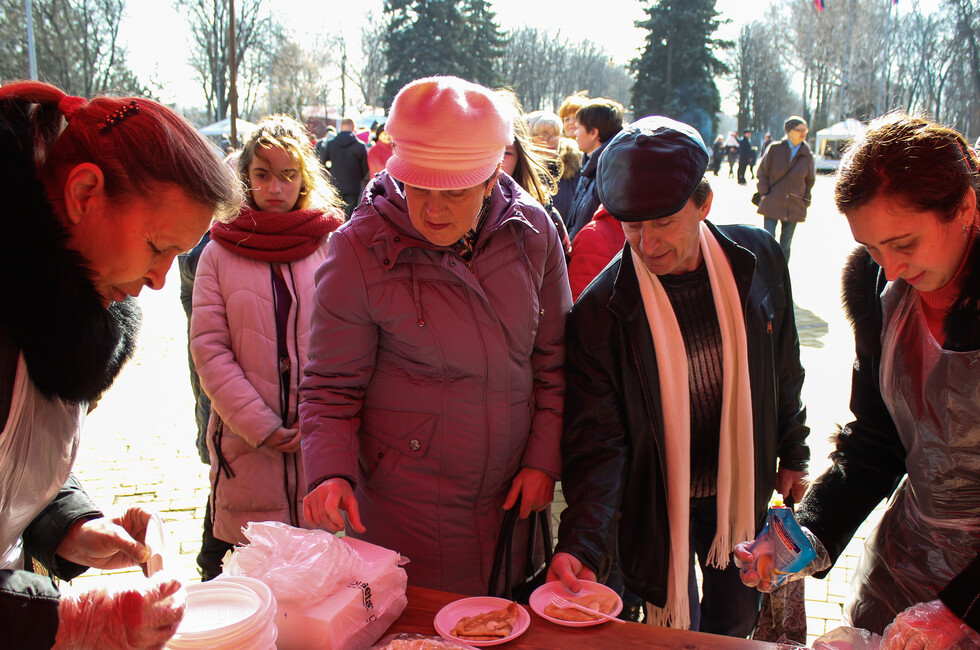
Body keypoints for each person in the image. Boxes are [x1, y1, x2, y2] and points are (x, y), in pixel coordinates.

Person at [300, 76, 571, 596]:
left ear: (493, 177)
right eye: (416, 187)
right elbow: (331, 386)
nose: (432, 210)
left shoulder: (534, 233)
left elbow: (554, 363)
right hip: (406, 506)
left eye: (454, 192)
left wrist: (543, 459)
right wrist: (329, 471)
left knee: (499, 620)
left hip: (511, 498)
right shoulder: (358, 249)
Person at [0, 81, 241, 649]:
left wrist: (69, 524)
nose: (160, 281)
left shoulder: (65, 309)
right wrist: (63, 617)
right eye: (159, 246)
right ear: (84, 190)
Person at [549, 116, 809, 637]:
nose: (646, 244)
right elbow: (597, 443)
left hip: (740, 492)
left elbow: (783, 363)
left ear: (703, 203)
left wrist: (794, 450)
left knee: (734, 623)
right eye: (631, 226)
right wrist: (581, 541)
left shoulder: (758, 256)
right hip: (656, 501)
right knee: (672, 626)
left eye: (662, 222)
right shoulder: (601, 311)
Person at [737, 114, 980, 647]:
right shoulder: (880, 291)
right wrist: (799, 536)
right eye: (872, 249)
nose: (890, 269)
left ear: (963, 208)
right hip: (909, 560)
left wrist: (965, 608)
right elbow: (875, 442)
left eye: (904, 244)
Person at [190, 115, 344, 568]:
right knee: (246, 580)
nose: (275, 187)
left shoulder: (330, 244)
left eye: (287, 175)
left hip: (319, 441)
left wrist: (321, 421)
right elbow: (209, 348)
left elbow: (350, 339)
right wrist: (261, 425)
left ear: (304, 178)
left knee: (319, 590)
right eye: (263, 174)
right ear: (246, 177)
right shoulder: (218, 251)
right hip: (246, 445)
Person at [755, 116, 815, 262]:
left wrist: (805, 201)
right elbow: (762, 172)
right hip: (772, 201)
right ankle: (766, 271)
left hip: (795, 205)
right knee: (768, 241)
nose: (803, 133)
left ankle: (781, 276)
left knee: (785, 245)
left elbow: (810, 181)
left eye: (805, 130)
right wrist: (764, 193)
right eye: (799, 129)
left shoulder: (808, 156)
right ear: (789, 131)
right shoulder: (775, 149)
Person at [565, 98, 624, 242]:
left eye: (578, 128)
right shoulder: (590, 164)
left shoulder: (611, 171)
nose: (575, 134)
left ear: (593, 133)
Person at [321, 117, 368, 218]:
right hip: (353, 186)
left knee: (335, 216)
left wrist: (332, 173)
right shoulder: (360, 146)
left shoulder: (331, 144)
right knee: (350, 218)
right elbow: (365, 168)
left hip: (335, 185)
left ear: (341, 127)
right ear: (353, 128)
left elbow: (322, 163)